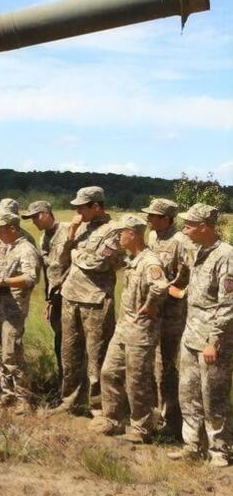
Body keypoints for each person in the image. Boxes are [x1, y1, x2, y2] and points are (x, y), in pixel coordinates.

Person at [170, 203, 233, 467]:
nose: (184, 229)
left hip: (211, 340)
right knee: (189, 393)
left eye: (189, 225)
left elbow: (228, 304)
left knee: (213, 396)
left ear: (204, 227)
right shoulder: (197, 252)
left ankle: (220, 450)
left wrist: (213, 341)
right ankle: (192, 445)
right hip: (191, 334)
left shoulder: (226, 256)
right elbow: (185, 283)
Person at [51, 186, 122, 416]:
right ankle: (70, 401)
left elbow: (99, 263)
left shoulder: (114, 231)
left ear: (96, 206)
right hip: (71, 297)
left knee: (97, 357)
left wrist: (75, 254)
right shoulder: (79, 229)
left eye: (82, 207)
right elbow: (59, 262)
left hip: (95, 301)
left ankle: (100, 408)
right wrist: (70, 238)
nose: (78, 211)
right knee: (69, 354)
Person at [97, 215, 169, 441]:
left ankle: (142, 429)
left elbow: (161, 287)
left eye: (121, 233)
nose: (118, 237)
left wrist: (149, 306)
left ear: (134, 234)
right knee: (109, 373)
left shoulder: (149, 262)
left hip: (140, 331)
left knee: (137, 380)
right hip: (123, 328)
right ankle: (113, 421)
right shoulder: (132, 259)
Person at [0, 211, 43, 411]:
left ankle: (24, 399)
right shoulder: (12, 248)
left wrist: (3, 281)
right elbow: (8, 270)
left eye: (1, 230)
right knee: (3, 353)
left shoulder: (26, 249)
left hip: (14, 309)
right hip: (1, 308)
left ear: (13, 229)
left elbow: (29, 278)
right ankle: (7, 395)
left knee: (12, 355)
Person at [143, 197, 192, 441]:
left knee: (168, 366)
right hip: (153, 309)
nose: (148, 219)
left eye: (152, 216)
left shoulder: (181, 241)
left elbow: (188, 275)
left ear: (166, 218)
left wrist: (171, 289)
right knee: (152, 362)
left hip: (172, 312)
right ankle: (156, 414)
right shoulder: (152, 237)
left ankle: (173, 420)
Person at [22, 200, 69, 384]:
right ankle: (62, 382)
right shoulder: (43, 238)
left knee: (71, 344)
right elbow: (49, 272)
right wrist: (49, 300)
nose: (33, 221)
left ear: (46, 213)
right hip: (56, 299)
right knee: (60, 341)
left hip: (72, 297)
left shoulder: (67, 231)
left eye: (36, 216)